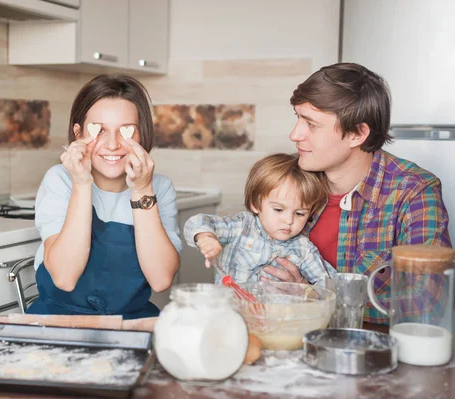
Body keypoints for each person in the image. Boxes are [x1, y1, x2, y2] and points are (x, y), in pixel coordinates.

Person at [263, 62, 452, 325]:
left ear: (356, 134)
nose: (295, 134)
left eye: (311, 124)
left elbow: (427, 299)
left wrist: (315, 296)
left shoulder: (414, 191)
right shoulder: (290, 178)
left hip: (371, 353)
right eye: (297, 118)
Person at [26, 74, 182, 319]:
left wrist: (142, 190)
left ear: (142, 134)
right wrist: (81, 183)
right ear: (78, 134)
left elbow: (161, 279)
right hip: (58, 320)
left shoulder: (159, 187)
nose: (112, 145)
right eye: (99, 131)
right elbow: (65, 278)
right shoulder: (60, 180)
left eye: (126, 131)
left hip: (132, 321)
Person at [184, 153, 336, 286]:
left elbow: (329, 284)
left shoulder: (304, 248)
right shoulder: (240, 226)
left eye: (300, 213)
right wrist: (206, 237)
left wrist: (306, 289)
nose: (289, 220)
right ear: (255, 204)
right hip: (230, 315)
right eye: (278, 210)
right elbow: (197, 222)